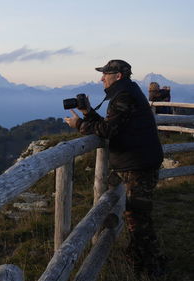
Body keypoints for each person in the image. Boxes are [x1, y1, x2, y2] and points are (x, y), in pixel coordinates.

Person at [64, 59, 166, 277]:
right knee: (138, 216)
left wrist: (80, 124)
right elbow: (113, 125)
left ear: (118, 76)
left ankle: (153, 268)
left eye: (105, 74)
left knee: (138, 219)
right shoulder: (127, 93)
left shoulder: (124, 96)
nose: (101, 78)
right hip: (141, 161)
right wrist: (89, 113)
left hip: (139, 164)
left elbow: (108, 130)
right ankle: (140, 260)